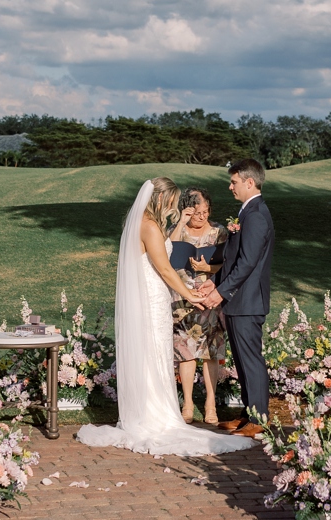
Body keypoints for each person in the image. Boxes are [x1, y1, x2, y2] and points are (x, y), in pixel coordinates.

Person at [77, 179, 255, 456]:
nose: (173, 207)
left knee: (155, 353)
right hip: (152, 298)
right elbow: (166, 270)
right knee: (153, 353)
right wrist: (190, 294)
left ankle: (150, 410)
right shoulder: (148, 225)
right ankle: (152, 416)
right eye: (171, 202)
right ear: (160, 199)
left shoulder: (146, 224)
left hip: (154, 297)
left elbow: (164, 256)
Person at [205, 159, 276, 438]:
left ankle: (260, 420)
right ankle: (249, 414)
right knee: (243, 361)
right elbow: (233, 260)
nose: (230, 186)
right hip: (238, 301)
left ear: (249, 182)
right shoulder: (246, 213)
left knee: (251, 360)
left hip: (247, 302)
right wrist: (213, 284)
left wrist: (220, 293)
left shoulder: (256, 215)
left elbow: (247, 263)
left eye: (234, 181)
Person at [169, 187, 228, 425]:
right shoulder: (178, 230)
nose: (202, 217)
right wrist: (181, 222)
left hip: (211, 296)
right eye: (197, 213)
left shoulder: (219, 232)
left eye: (205, 212)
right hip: (183, 298)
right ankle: (188, 404)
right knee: (186, 353)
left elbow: (229, 265)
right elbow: (167, 253)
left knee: (211, 353)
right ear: (188, 210)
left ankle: (211, 404)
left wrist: (208, 269)